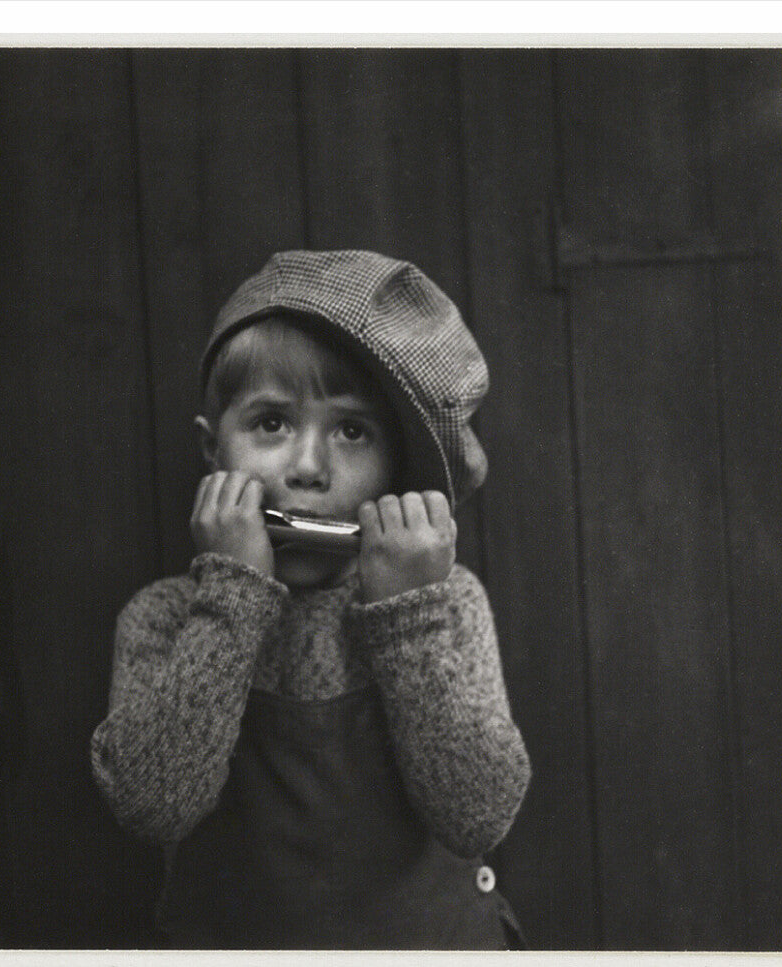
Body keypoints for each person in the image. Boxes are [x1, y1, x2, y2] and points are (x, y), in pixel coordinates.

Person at [90, 249, 531, 949]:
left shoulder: (445, 602)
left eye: (352, 431)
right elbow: (152, 805)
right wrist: (231, 596)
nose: (307, 467)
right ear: (214, 453)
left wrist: (406, 617)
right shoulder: (165, 617)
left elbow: (478, 813)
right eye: (271, 423)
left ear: (397, 471)